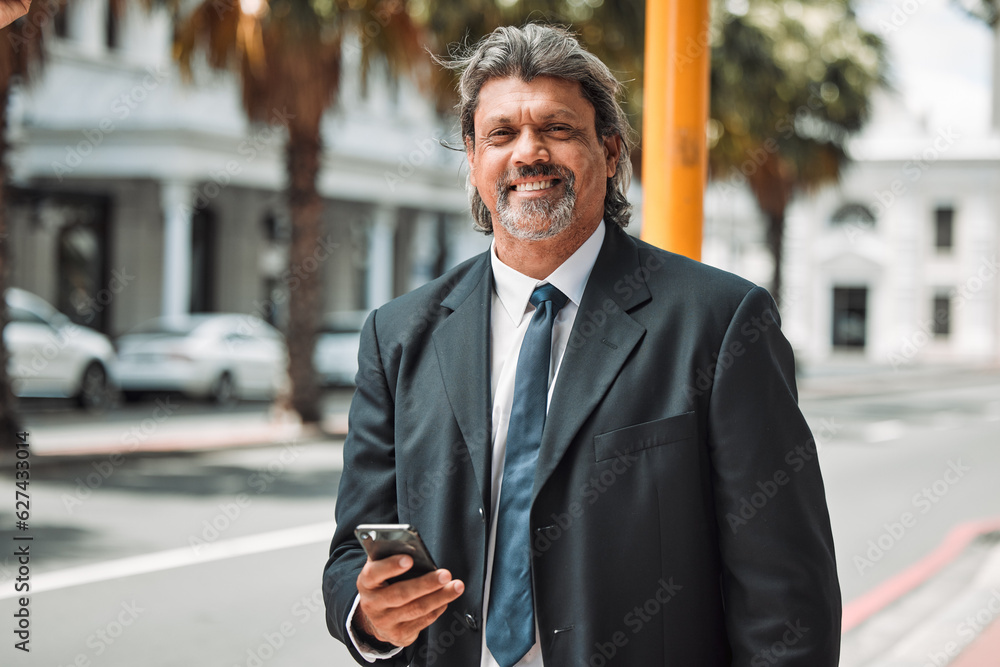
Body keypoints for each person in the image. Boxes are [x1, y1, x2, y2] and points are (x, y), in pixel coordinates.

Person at [324, 23, 841, 667]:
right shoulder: (398, 334)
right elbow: (351, 554)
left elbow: (785, 593)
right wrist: (369, 615)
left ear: (612, 150)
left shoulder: (721, 321)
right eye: (501, 134)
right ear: (472, 158)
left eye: (559, 129)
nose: (528, 154)